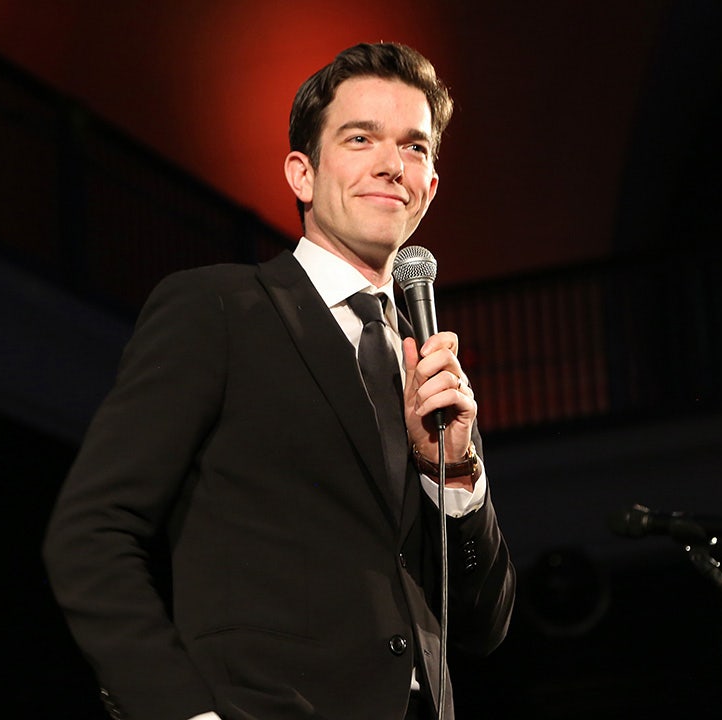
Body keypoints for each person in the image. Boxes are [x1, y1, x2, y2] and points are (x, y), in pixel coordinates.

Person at [43, 42, 515, 720]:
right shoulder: (219, 308)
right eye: (360, 138)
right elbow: (90, 531)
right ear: (302, 174)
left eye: (414, 147)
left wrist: (456, 471)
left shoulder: (427, 364)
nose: (392, 164)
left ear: (430, 187)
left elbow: (483, 625)